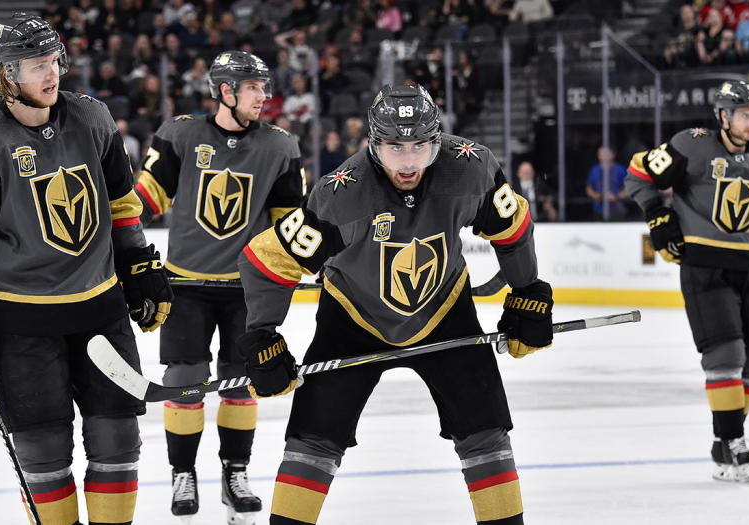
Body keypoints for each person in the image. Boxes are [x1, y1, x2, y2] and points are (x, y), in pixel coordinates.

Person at [236, 82, 554, 524]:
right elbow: (265, 261)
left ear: (437, 139)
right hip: (352, 318)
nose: (408, 163)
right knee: (313, 434)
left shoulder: (471, 169)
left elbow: (512, 224)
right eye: (394, 148)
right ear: (372, 142)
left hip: (446, 310)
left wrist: (527, 291)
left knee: (485, 427)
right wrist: (261, 337)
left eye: (420, 147)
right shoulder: (340, 195)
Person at [0, 14, 173, 524]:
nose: (52, 73)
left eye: (54, 60)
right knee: (43, 449)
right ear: (6, 74)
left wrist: (139, 268)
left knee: (118, 437)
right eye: (37, 65)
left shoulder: (94, 118)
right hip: (22, 323)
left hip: (101, 310)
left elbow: (123, 205)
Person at [132, 49, 304, 524]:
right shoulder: (180, 133)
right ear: (225, 91)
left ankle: (236, 473)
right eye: (253, 87)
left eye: (263, 87)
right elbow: (145, 198)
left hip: (246, 290)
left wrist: (314, 264)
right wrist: (108, 234)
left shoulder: (281, 146)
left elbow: (290, 223)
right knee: (184, 384)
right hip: (184, 286)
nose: (263, 96)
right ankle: (182, 474)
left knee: (240, 386)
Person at [625, 80, 749, 483]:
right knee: (726, 353)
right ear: (724, 115)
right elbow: (637, 171)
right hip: (706, 264)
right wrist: (658, 216)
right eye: (744, 115)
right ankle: (734, 441)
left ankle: (725, 442)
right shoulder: (692, 145)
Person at [585, 146, 629, 220]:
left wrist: (617, 196)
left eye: (605, 153)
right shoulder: (594, 170)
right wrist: (597, 196)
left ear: (612, 155)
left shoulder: (620, 169)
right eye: (600, 154)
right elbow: (589, 188)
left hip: (617, 208)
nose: (602, 156)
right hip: (598, 209)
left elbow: (628, 188)